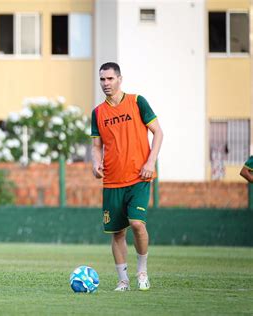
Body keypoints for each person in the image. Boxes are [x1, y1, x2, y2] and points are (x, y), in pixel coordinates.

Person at [91, 62, 163, 291]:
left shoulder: (137, 101)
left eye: (110, 79)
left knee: (137, 224)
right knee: (117, 232)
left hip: (139, 177)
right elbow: (96, 145)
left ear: (120, 79)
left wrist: (150, 162)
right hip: (112, 181)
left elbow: (158, 132)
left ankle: (142, 271)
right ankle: (123, 280)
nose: (105, 84)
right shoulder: (97, 112)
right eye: (102, 79)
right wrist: (95, 162)